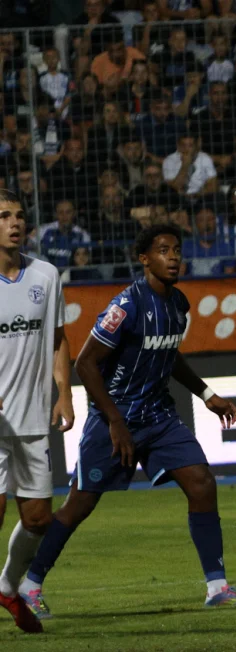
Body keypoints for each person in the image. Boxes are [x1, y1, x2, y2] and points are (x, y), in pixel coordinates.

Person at [17, 224, 236, 623]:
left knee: (201, 483)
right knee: (79, 505)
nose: (174, 256)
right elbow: (85, 363)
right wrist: (114, 421)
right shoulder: (124, 306)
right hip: (115, 416)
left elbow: (169, 354)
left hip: (159, 415)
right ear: (145, 259)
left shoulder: (179, 304)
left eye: (177, 249)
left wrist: (206, 393)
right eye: (164, 250)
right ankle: (29, 585)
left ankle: (217, 588)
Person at [0, 190, 74, 634]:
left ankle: (8, 587)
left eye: (19, 215)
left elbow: (59, 337)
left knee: (38, 519)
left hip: (31, 420)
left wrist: (64, 391)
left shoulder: (45, 274)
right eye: (4, 215)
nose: (14, 222)